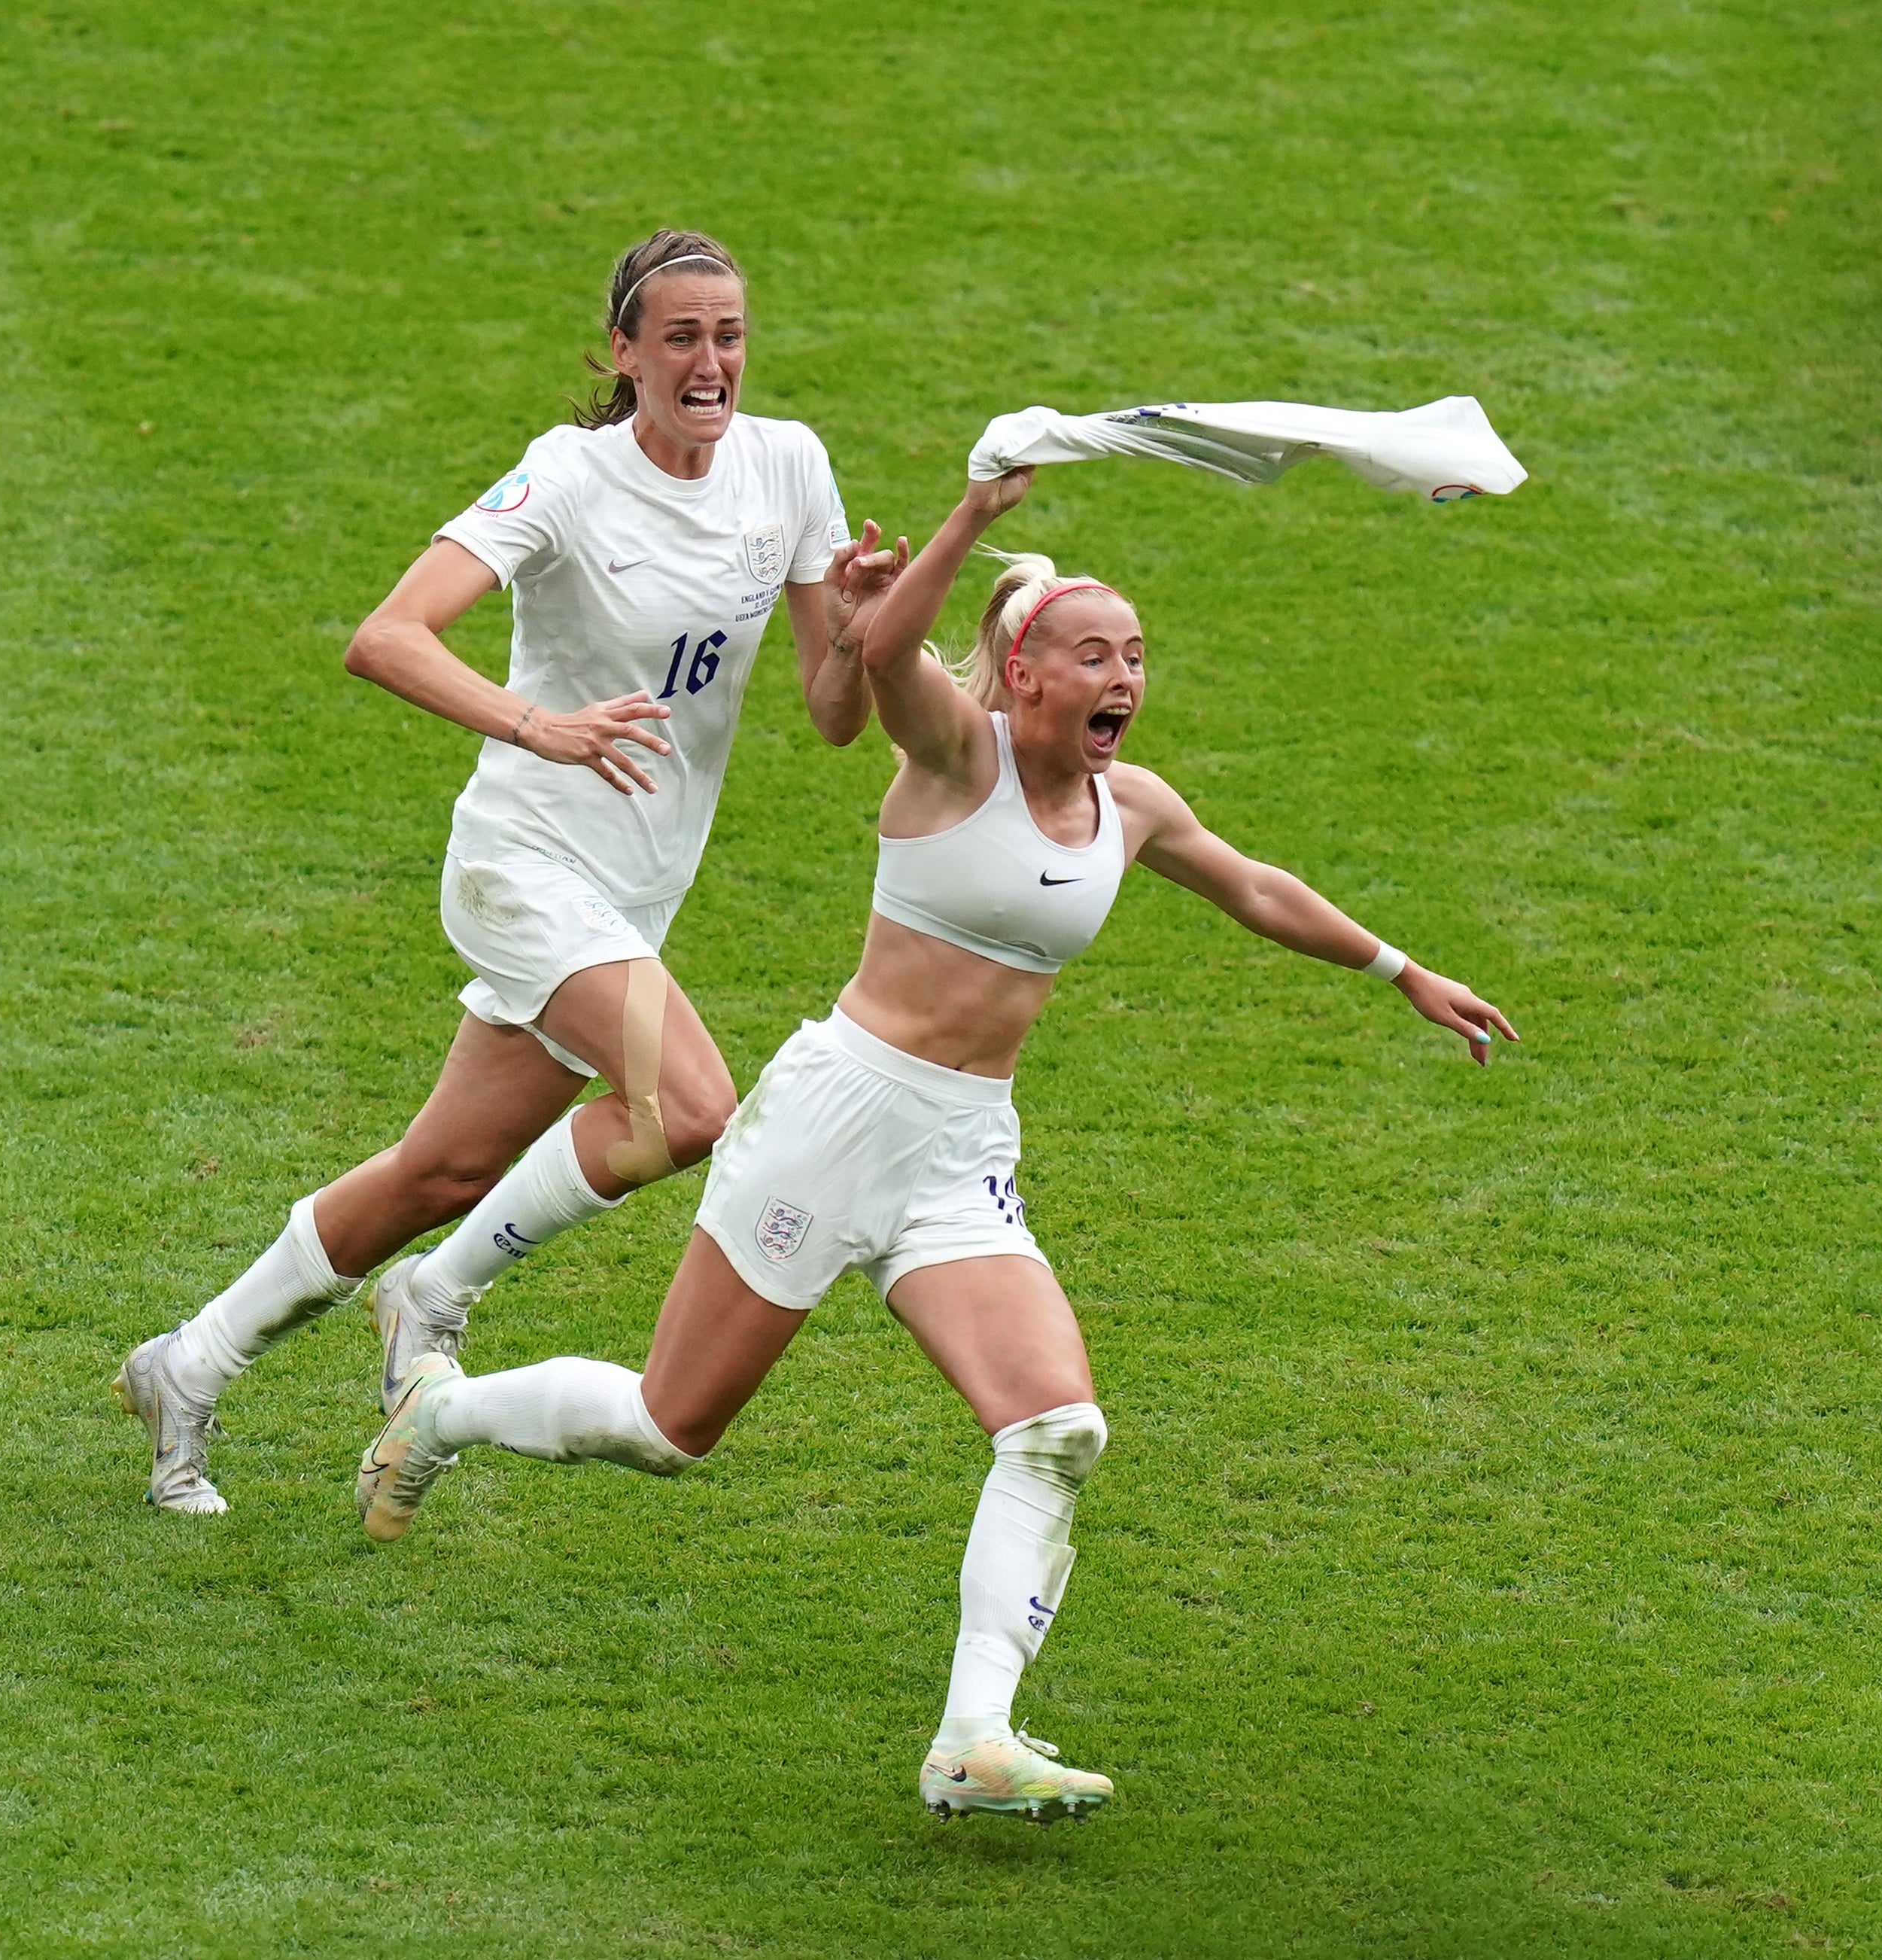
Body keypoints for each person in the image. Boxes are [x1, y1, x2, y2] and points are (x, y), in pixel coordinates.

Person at [352, 465, 1517, 1823]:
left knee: (1055, 1428)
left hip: (962, 1145)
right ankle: (445, 1412)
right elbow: (881, 651)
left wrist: (1402, 971)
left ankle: (975, 1735)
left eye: (1136, 656)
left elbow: (1253, 884)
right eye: (1095, 653)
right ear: (1022, 671)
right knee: (676, 1430)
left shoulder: (1128, 805)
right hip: (834, 1119)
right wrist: (974, 519)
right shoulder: (955, 754)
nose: (1124, 675)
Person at [117, 228, 902, 1514]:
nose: (713, 363)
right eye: (683, 339)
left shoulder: (789, 467)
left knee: (438, 1173)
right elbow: (387, 637)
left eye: (731, 336)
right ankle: (435, 1296)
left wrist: (862, 634)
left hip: (636, 888)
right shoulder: (568, 480)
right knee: (691, 1105)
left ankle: (185, 1366)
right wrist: (541, 727)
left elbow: (830, 716)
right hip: (525, 862)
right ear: (624, 353)